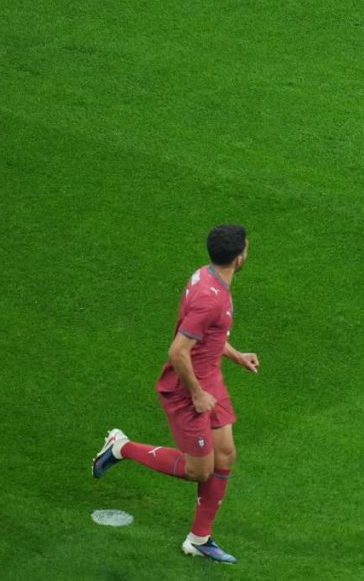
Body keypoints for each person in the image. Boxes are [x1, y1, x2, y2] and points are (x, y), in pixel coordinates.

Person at [92, 224, 257, 564]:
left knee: (224, 456)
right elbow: (178, 352)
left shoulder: (209, 278)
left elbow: (206, 337)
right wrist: (197, 394)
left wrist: (236, 355)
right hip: (187, 388)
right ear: (239, 256)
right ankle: (121, 447)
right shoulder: (210, 299)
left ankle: (199, 539)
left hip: (209, 376)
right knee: (199, 470)